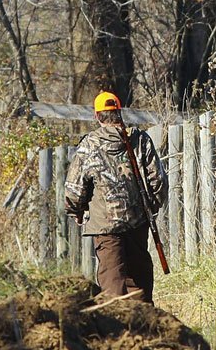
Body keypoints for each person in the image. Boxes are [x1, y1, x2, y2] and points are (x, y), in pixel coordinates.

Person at [65, 91, 167, 304]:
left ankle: (117, 328)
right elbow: (158, 181)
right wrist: (150, 208)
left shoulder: (89, 145)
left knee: (112, 282)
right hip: (138, 222)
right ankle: (145, 326)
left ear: (97, 116)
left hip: (105, 228)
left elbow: (74, 188)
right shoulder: (140, 140)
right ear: (119, 113)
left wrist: (76, 210)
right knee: (139, 281)